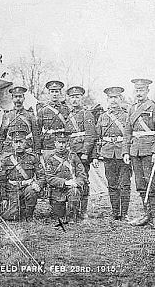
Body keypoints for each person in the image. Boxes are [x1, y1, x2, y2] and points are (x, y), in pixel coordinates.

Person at [122, 79, 155, 230]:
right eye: (136, 90)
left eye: (141, 90)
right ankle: (146, 214)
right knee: (141, 184)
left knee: (152, 184)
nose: (138, 93)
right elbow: (127, 131)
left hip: (149, 151)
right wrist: (126, 151)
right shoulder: (132, 108)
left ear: (147, 91)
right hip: (135, 151)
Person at [93, 87, 132, 221]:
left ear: (121, 99)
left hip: (123, 153)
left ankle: (125, 213)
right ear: (107, 100)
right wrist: (96, 155)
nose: (113, 100)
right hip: (108, 153)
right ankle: (116, 212)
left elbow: (130, 135)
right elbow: (96, 136)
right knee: (112, 184)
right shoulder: (103, 117)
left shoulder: (127, 116)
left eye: (116, 97)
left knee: (125, 184)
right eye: (111, 98)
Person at [64, 86, 97, 220]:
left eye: (77, 97)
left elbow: (91, 135)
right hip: (71, 152)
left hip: (82, 153)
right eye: (72, 97)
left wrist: (85, 153)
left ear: (81, 98)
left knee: (83, 179)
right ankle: (73, 209)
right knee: (71, 179)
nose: (74, 99)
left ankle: (83, 210)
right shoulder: (68, 115)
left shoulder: (86, 114)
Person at [0, 129, 46, 221]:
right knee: (11, 217)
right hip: (12, 189)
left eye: (21, 142)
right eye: (16, 142)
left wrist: (38, 184)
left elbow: (42, 176)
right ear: (12, 144)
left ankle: (29, 216)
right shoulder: (6, 160)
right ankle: (17, 209)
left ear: (26, 143)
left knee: (31, 191)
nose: (18, 145)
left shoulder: (33, 158)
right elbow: (1, 180)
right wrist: (3, 197)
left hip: (27, 187)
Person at [44, 130, 86, 224]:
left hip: (71, 188)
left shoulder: (73, 156)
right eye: (59, 142)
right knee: (58, 216)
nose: (61, 145)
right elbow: (49, 177)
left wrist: (76, 183)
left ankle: (72, 216)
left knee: (74, 192)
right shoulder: (50, 157)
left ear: (67, 143)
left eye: (63, 142)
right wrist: (65, 182)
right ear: (55, 143)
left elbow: (82, 174)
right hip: (57, 190)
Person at [0, 86, 41, 156]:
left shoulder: (30, 115)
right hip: (10, 150)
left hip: (27, 149)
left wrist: (37, 151)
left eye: (20, 96)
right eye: (15, 97)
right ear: (12, 99)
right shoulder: (7, 115)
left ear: (24, 98)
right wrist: (0, 151)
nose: (18, 99)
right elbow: (2, 135)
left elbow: (35, 135)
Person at [37, 80, 69, 158]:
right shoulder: (43, 110)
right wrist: (38, 149)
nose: (54, 94)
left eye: (56, 91)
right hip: (48, 144)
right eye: (52, 91)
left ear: (60, 93)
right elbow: (38, 130)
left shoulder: (66, 109)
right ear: (49, 93)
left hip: (62, 144)